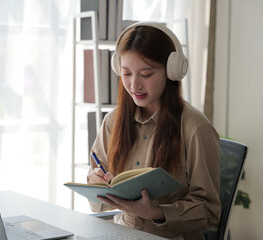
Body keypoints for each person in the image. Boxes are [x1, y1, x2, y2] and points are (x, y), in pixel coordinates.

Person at [87, 22, 221, 240]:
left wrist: (155, 213)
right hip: (122, 232)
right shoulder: (113, 121)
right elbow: (96, 202)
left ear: (171, 72)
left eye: (146, 74)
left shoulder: (196, 128)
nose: (134, 85)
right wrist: (97, 184)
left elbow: (210, 212)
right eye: (126, 73)